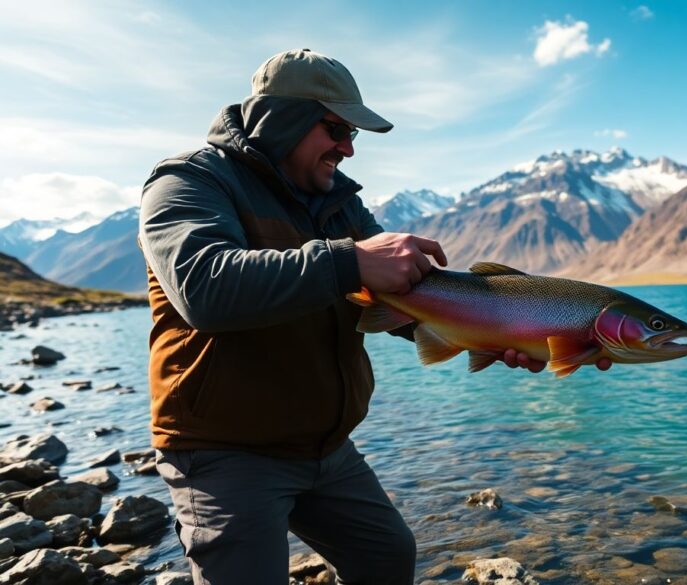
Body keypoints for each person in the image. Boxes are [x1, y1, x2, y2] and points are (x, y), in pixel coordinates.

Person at [139, 48, 610, 584]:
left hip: (327, 447)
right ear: (281, 118)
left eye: (353, 135)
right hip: (225, 449)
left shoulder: (337, 203)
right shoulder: (189, 182)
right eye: (336, 129)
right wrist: (351, 259)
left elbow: (399, 296)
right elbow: (205, 288)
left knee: (386, 559)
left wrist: (492, 333)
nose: (347, 148)